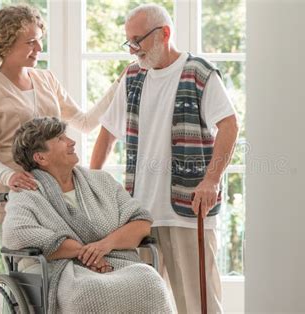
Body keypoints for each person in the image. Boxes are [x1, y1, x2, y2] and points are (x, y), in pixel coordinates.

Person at [90, 4, 239, 313]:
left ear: (164, 34)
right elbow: (107, 132)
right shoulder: (132, 76)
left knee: (199, 304)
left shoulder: (199, 73)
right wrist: (93, 183)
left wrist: (212, 179)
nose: (132, 49)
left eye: (138, 40)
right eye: (128, 41)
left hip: (187, 209)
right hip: (139, 215)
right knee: (143, 303)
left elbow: (229, 124)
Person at [0, 4, 122, 246]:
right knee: (31, 277)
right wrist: (11, 177)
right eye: (31, 42)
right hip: (14, 198)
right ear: (7, 43)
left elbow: (84, 123)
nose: (39, 48)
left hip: (58, 197)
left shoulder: (46, 79)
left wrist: (119, 84)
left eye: (40, 40)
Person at [2, 117, 173, 313]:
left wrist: (104, 245)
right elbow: (17, 233)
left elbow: (140, 221)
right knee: (90, 292)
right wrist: (83, 252)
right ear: (41, 157)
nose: (71, 142)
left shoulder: (101, 181)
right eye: (60, 139)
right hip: (61, 269)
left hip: (114, 261)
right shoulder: (27, 193)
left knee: (150, 281)